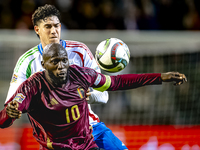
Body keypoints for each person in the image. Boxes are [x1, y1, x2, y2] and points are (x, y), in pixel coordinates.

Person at [0, 43, 187, 150]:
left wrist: (161, 77)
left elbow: (117, 82)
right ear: (43, 63)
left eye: (64, 60)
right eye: (54, 61)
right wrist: (9, 114)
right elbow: (4, 120)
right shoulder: (33, 86)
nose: (61, 66)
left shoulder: (80, 74)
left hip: (87, 145)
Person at [5, 4, 128, 150]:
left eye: (56, 26)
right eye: (48, 27)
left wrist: (90, 95)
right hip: (56, 139)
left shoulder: (80, 51)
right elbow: (11, 102)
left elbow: (104, 96)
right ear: (37, 29)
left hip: (91, 128)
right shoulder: (27, 62)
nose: (53, 31)